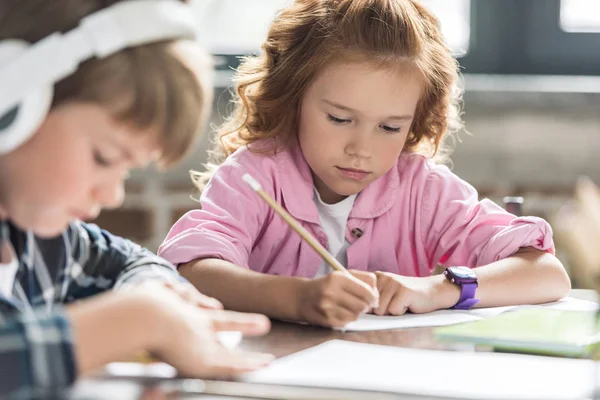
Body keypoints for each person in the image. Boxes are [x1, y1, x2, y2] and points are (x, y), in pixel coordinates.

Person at [158, 0, 571, 329]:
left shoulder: (422, 190)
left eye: (390, 127)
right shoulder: (254, 176)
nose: (362, 148)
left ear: (416, 121)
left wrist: (438, 289)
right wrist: (298, 298)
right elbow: (192, 271)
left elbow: (547, 273)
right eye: (339, 119)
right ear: (293, 97)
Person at [0, 1, 272, 397]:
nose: (111, 194)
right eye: (104, 158)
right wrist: (140, 319)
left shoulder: (38, 241)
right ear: (10, 103)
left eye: (124, 169)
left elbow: (130, 261)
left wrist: (158, 295)